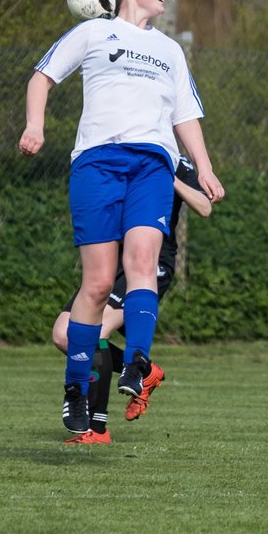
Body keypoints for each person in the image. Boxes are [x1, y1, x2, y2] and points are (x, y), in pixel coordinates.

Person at [20, 0, 225, 439]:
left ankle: (136, 364)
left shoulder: (170, 50)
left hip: (152, 163)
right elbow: (41, 78)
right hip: (97, 162)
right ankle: (76, 391)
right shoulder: (92, 34)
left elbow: (185, 115)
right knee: (94, 285)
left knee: (142, 259)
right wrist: (35, 125)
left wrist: (207, 166)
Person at [51, 156, 213, 444]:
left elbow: (204, 206)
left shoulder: (175, 161)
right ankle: (146, 370)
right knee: (64, 334)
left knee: (96, 332)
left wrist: (168, 176)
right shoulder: (121, 148)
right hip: (112, 259)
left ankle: (96, 429)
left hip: (149, 263)